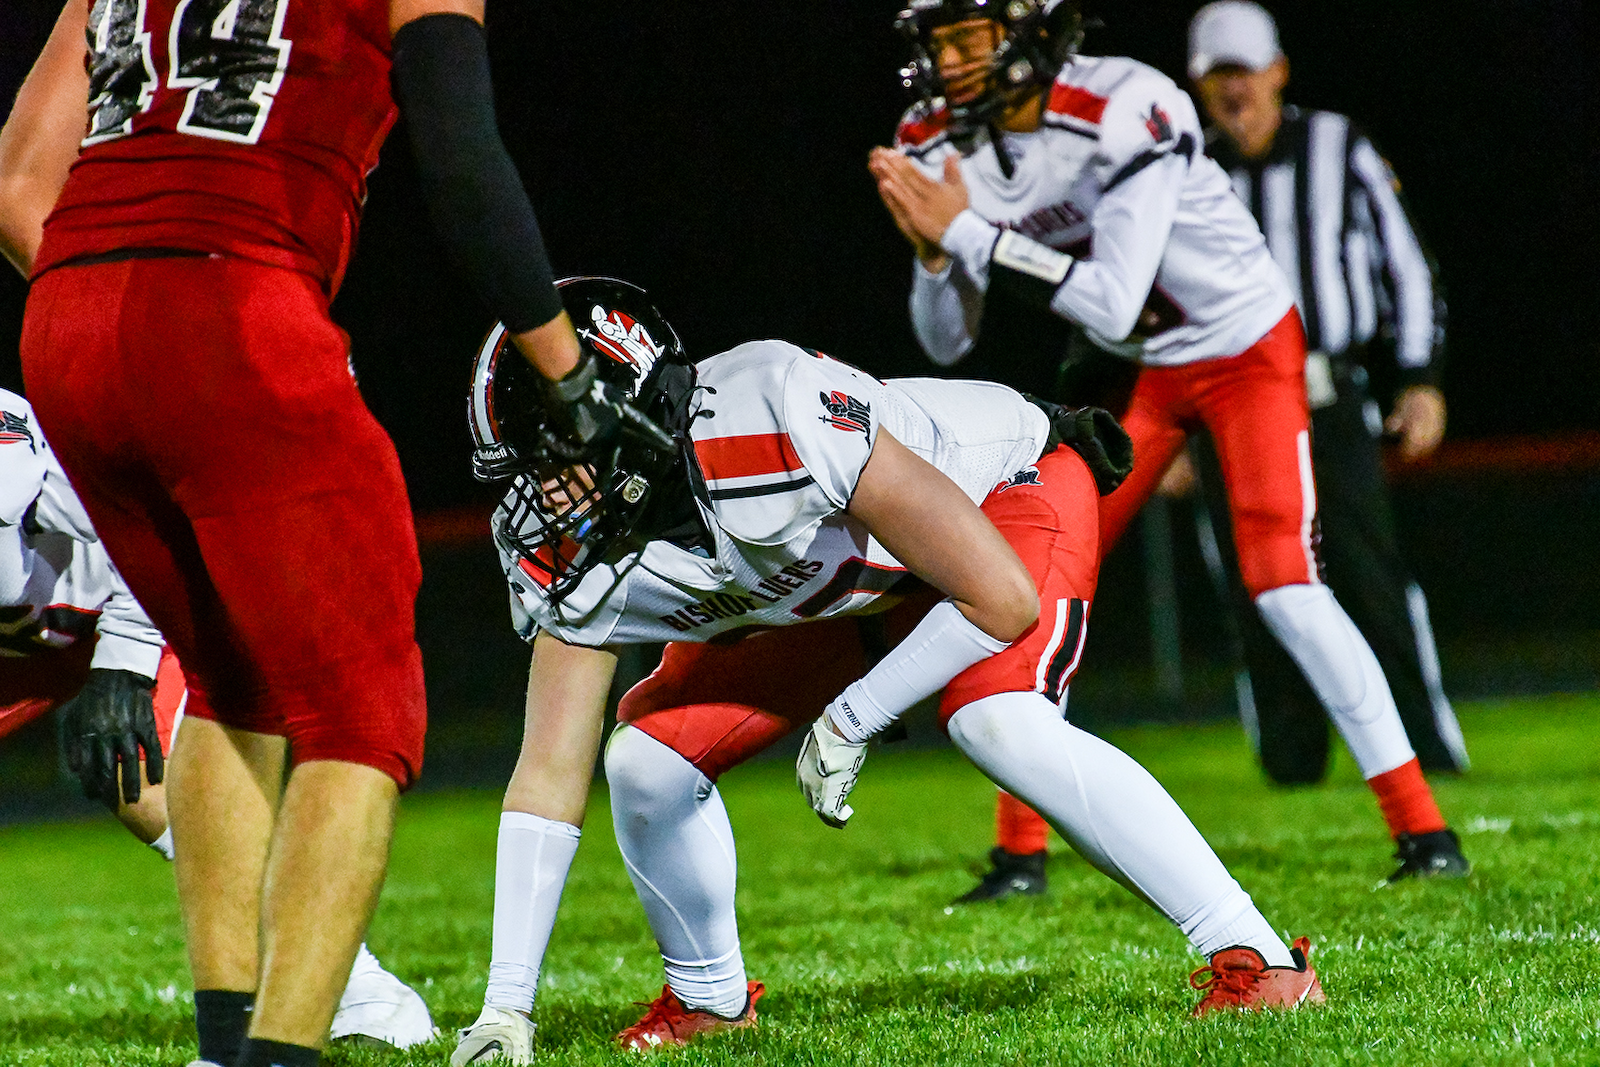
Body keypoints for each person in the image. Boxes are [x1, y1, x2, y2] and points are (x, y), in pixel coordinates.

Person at [0, 2, 661, 1064]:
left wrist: (126, 314)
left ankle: (225, 1046)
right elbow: (461, 155)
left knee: (230, 684)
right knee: (364, 715)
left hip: (67, 321)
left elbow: (19, 180)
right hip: (229, 293)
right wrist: (568, 372)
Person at [451, 276, 1323, 1064]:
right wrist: (505, 1007)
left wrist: (850, 718)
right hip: (857, 590)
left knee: (997, 719)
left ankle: (1258, 957)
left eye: (553, 461)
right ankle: (708, 999)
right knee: (645, 760)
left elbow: (998, 597)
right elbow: (548, 770)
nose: (539, 497)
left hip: (1000, 498)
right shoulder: (563, 548)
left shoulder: (769, 413)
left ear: (632, 420)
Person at [868, 0, 1468, 898]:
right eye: (938, 41)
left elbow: (1114, 295)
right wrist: (933, 255)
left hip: (1240, 346)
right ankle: (1020, 854)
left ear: (1030, 29)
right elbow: (946, 340)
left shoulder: (1123, 103)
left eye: (968, 36)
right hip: (1132, 367)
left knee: (1285, 585)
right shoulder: (934, 138)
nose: (949, 61)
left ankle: (1424, 828)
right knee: (1030, 574)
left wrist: (964, 232)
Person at [0, 386, 436, 1049]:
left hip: (128, 594)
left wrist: (124, 659)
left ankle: (364, 991)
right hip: (24, 637)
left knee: (139, 772)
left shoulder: (17, 462)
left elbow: (149, 516)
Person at [1185, 0, 1466, 784]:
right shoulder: (1185, 167)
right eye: (1218, 75)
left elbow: (1407, 266)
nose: (1234, 89)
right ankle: (1291, 763)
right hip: (1227, 406)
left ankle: (1425, 751)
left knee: (1369, 578)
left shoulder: (1338, 147)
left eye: (1245, 71)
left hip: (1326, 394)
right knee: (1255, 586)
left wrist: (1420, 378)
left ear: (1277, 72)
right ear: (1198, 85)